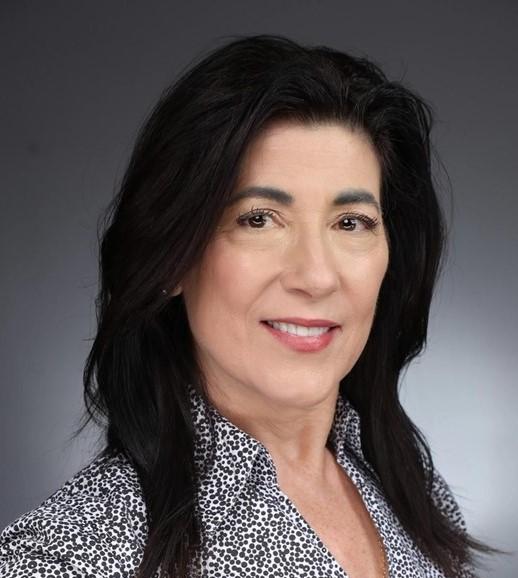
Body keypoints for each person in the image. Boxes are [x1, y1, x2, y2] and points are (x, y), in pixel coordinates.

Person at [0, 35, 492, 578]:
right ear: (172, 259)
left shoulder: (408, 489)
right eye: (259, 219)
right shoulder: (67, 555)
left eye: (350, 222)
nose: (316, 276)